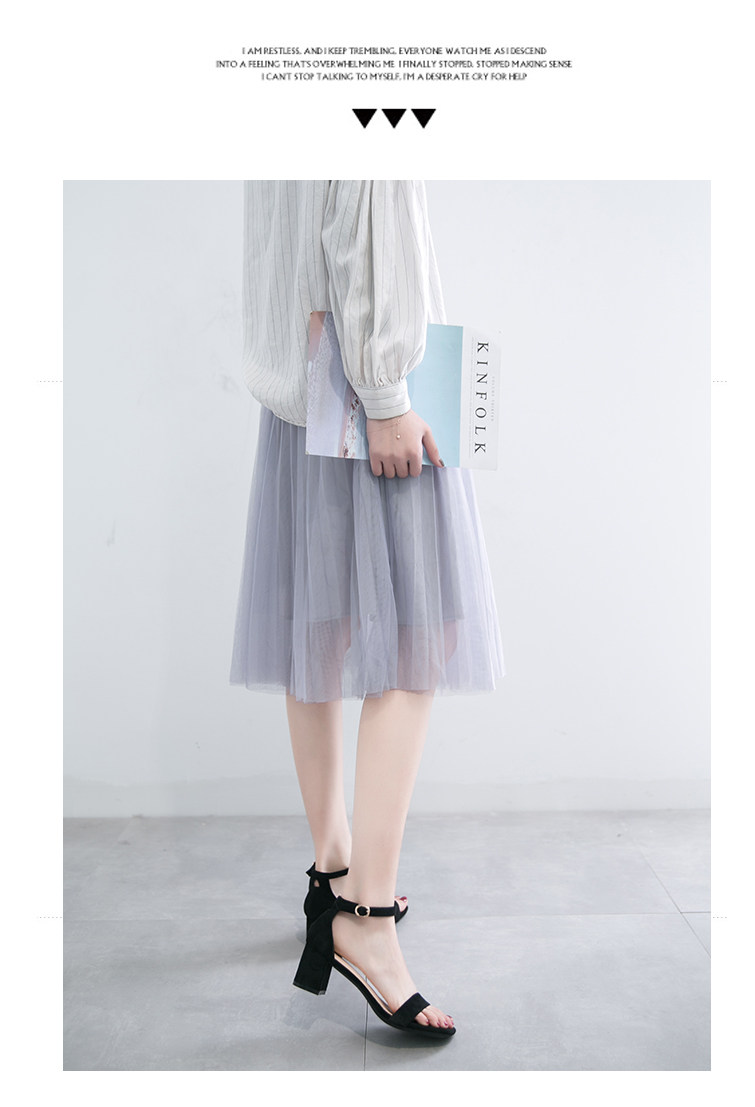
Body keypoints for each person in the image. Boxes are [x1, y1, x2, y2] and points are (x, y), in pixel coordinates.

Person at [230, 181, 503, 1037]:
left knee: (319, 625)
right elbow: (367, 224)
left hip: (303, 373)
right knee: (421, 636)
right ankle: (366, 919)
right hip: (368, 386)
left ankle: (334, 867)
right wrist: (388, 396)